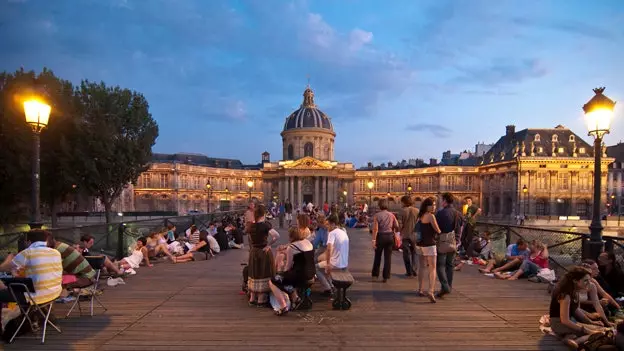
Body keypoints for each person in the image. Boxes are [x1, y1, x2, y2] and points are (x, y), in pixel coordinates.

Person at [549, 266, 612, 349]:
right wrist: (586, 330)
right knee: (600, 332)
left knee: (600, 328)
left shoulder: (575, 290)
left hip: (568, 322)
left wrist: (590, 322)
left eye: (589, 280)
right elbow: (565, 321)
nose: (589, 284)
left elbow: (576, 309)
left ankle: (570, 338)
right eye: (585, 281)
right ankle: (576, 341)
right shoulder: (565, 295)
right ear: (575, 281)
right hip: (559, 324)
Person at [0, 230, 63, 307]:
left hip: (36, 296)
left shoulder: (28, 252)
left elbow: (3, 268)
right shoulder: (56, 252)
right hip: (54, 293)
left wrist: (9, 257)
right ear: (45, 240)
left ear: (29, 241)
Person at [269, 227, 315, 316]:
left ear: (291, 236)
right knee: (285, 278)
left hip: (300, 275)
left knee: (273, 281)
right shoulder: (308, 243)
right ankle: (295, 297)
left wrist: (280, 273)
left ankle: (283, 306)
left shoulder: (292, 247)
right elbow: (302, 257)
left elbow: (288, 267)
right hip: (311, 273)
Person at [247, 204, 280, 306]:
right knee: (263, 272)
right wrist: (269, 245)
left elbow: (249, 238)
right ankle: (261, 299)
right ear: (263, 214)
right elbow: (276, 236)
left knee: (254, 272)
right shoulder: (266, 225)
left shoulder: (251, 226)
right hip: (263, 250)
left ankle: (252, 297)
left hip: (254, 251)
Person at [435, 193, 462, 298]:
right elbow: (459, 228)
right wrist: (458, 240)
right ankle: (448, 286)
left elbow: (436, 228)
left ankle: (445, 286)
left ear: (445, 200)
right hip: (453, 241)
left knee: (440, 265)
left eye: (442, 200)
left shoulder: (440, 213)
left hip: (442, 241)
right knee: (450, 265)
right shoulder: (457, 213)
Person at [316, 214, 349, 296]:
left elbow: (329, 249)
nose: (327, 227)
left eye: (328, 224)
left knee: (316, 267)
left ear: (333, 224)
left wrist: (327, 264)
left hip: (336, 263)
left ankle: (327, 288)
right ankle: (331, 285)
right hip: (344, 263)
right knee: (323, 265)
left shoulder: (332, 233)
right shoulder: (343, 232)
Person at [416, 197, 441, 303]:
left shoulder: (420, 216)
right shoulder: (431, 216)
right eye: (433, 205)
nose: (434, 207)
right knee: (432, 268)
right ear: (428, 206)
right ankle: (431, 290)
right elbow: (438, 230)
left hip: (420, 244)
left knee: (421, 267)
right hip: (430, 244)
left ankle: (420, 289)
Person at [371, 198, 399, 283]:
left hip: (381, 236)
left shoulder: (377, 215)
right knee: (388, 258)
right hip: (390, 236)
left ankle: (375, 275)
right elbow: (397, 225)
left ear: (379, 205)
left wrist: (373, 240)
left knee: (378, 256)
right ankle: (386, 276)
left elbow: (375, 229)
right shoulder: (392, 215)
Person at [399, 195, 419, 277]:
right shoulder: (417, 210)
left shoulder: (402, 211)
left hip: (405, 234)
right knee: (415, 252)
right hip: (415, 235)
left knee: (406, 253)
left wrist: (399, 232)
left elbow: (400, 224)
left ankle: (409, 271)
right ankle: (414, 269)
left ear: (404, 202)